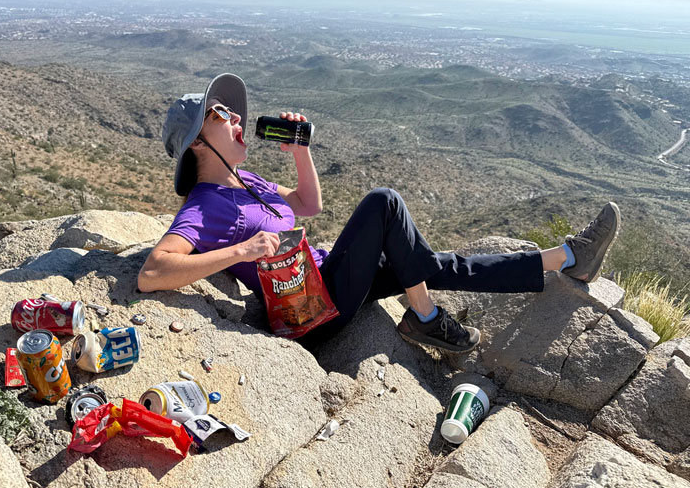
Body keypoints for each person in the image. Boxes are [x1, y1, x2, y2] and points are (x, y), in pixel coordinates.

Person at [138, 73, 620, 353]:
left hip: (330, 279)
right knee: (383, 202)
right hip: (315, 309)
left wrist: (301, 150)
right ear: (198, 143)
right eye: (222, 115)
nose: (238, 118)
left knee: (432, 264)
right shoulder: (205, 205)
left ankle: (566, 258)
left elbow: (309, 205)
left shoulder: (248, 182)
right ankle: (425, 315)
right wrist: (240, 251)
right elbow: (153, 272)